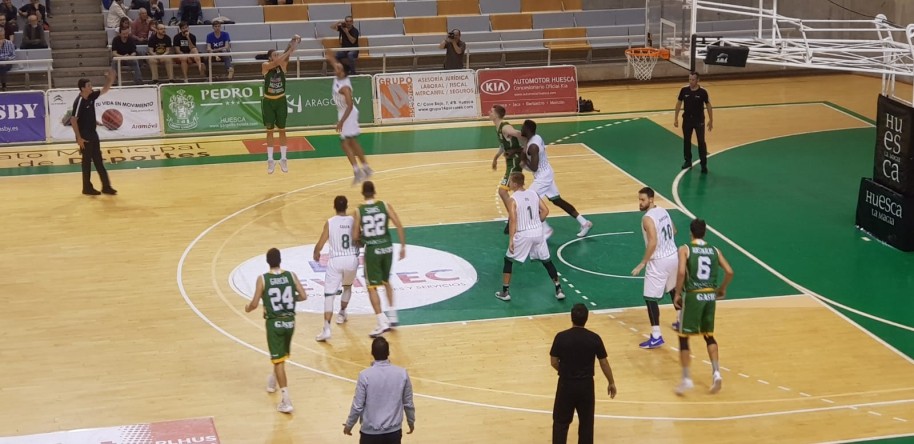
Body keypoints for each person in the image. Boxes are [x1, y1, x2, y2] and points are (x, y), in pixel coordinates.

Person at [673, 218, 733, 396]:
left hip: (693, 295)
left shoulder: (685, 249)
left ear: (691, 232)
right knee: (709, 336)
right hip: (710, 295)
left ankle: (686, 379)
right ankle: (716, 373)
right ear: (705, 232)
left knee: (684, 338)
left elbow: (682, 272)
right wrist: (721, 289)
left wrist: (677, 293)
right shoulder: (715, 250)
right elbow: (729, 271)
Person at [244, 247, 308, 413]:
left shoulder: (263, 279)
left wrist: (248, 308)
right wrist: (287, 299)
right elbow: (303, 296)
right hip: (290, 322)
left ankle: (286, 400)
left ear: (267, 262)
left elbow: (254, 303)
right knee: (280, 355)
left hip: (275, 324)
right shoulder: (291, 275)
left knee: (278, 360)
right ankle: (273, 381)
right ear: (280, 260)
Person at [550, 303, 617, 444]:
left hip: (566, 384)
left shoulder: (561, 337)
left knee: (560, 423)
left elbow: (554, 361)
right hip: (586, 386)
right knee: (586, 424)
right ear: (586, 319)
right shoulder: (594, 338)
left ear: (571, 317)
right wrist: (611, 382)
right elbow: (604, 362)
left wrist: (564, 371)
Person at [495, 172, 565, 302]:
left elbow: (513, 221)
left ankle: (505, 292)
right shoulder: (533, 193)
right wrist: (537, 223)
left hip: (523, 234)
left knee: (508, 260)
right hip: (538, 232)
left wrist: (511, 239)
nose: (509, 183)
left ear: (515, 183)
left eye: (510, 181)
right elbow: (545, 211)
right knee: (547, 261)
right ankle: (558, 289)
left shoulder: (513, 199)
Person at [520, 119, 593, 239]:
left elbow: (534, 167)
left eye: (523, 127)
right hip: (546, 172)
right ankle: (584, 223)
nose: (521, 129)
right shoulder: (536, 137)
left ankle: (546, 229)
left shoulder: (533, 146)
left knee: (529, 199)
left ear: (527, 130)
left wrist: (523, 158)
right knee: (557, 200)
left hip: (543, 176)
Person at [352, 181, 406, 338]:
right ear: (374, 192)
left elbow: (355, 236)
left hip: (373, 251)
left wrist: (362, 241)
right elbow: (399, 225)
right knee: (386, 280)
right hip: (387, 248)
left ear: (363, 193)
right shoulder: (385, 205)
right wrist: (403, 246)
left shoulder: (359, 210)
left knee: (371, 287)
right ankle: (393, 314)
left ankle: (381, 321)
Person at [630, 187, 678, 349]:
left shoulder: (647, 218)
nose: (640, 203)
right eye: (639, 200)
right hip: (673, 255)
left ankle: (656, 335)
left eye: (642, 200)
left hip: (659, 261)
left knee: (650, 298)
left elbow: (653, 241)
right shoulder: (664, 210)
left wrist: (643, 262)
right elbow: (674, 231)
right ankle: (681, 320)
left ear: (651, 199)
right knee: (673, 288)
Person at [343, 337, 416, 443]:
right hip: (393, 433)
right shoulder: (402, 374)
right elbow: (408, 402)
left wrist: (349, 425)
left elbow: (357, 406)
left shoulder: (364, 376)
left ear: (372, 353)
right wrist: (411, 421)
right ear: (389, 352)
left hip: (370, 435)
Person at [312, 195, 359, 342]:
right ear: (346, 206)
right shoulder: (353, 221)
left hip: (336, 260)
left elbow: (320, 243)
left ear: (334, 206)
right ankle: (342, 313)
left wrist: (316, 252)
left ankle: (326, 329)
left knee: (329, 296)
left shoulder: (330, 222)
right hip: (351, 259)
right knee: (347, 286)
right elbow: (359, 239)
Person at [327, 49, 372, 184]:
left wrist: (341, 122)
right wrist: (327, 49)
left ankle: (357, 171)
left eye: (339, 67)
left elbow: (350, 105)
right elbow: (332, 59)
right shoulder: (339, 74)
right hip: (343, 111)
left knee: (345, 143)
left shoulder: (345, 87)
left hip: (348, 113)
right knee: (352, 142)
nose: (336, 67)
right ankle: (365, 168)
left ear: (343, 72)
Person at [71, 71, 117, 196]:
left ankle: (106, 186)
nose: (91, 88)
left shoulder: (90, 96)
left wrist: (110, 79)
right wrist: (78, 138)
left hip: (93, 133)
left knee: (98, 160)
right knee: (86, 162)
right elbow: (73, 120)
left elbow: (105, 89)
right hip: (85, 135)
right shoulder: (79, 101)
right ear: (82, 88)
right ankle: (86, 188)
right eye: (89, 86)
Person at [261, 35, 300, 174]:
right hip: (268, 101)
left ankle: (283, 158)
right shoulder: (265, 66)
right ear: (270, 57)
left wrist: (293, 42)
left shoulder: (283, 65)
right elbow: (276, 62)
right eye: (275, 55)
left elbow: (283, 59)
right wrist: (290, 50)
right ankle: (270, 160)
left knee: (282, 130)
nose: (277, 56)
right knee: (269, 131)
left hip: (281, 100)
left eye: (278, 54)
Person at [489, 104, 524, 234]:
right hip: (510, 161)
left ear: (497, 115)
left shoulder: (505, 126)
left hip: (515, 161)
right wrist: (495, 158)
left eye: (491, 111)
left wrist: (528, 143)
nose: (489, 113)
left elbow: (517, 133)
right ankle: (515, 215)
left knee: (503, 192)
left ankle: (514, 217)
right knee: (512, 191)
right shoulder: (498, 128)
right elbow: (503, 146)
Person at [674, 71, 713, 174]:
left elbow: (708, 105)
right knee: (687, 141)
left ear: (698, 80)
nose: (691, 82)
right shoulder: (683, 90)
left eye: (693, 80)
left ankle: (703, 164)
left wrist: (711, 120)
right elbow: (678, 103)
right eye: (689, 79)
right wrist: (676, 118)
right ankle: (688, 161)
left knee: (701, 142)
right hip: (687, 120)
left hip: (699, 121)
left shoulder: (703, 92)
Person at [0, 27, 13, 91]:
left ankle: (3, 85)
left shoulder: (9, 43)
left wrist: (6, 59)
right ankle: (4, 85)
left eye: (2, 35)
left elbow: (13, 55)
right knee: (1, 66)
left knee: (2, 67)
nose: (1, 37)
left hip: (8, 62)